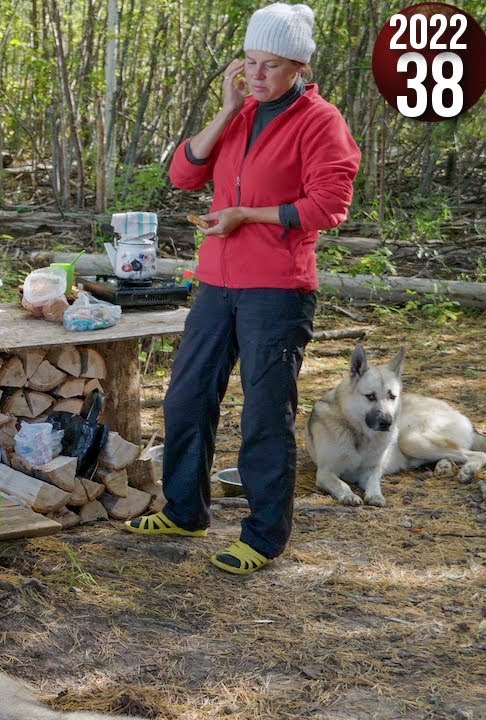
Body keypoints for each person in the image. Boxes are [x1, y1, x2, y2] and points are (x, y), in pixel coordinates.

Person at [123, 2, 360, 575]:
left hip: (276, 290)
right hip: (216, 283)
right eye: (250, 62)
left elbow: (330, 205)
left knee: (263, 415)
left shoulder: (320, 121)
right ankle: (184, 510)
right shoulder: (241, 110)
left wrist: (246, 216)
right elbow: (183, 174)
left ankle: (263, 535)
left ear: (299, 67)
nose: (256, 75)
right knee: (187, 399)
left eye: (271, 65)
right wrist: (227, 111)